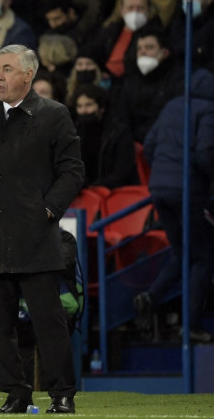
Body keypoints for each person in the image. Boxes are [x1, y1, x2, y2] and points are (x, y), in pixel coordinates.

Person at [0, 44, 84, 414]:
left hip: (36, 239)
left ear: (29, 75)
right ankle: (16, 393)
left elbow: (73, 170)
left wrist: (47, 211)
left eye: (8, 69)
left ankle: (62, 394)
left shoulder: (53, 115)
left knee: (49, 323)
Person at [134, 68, 214, 343]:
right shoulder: (208, 110)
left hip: (159, 188)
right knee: (204, 257)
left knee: (182, 253)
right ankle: (190, 325)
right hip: (189, 190)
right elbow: (206, 154)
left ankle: (151, 295)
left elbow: (150, 144)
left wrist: (164, 171)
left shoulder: (172, 106)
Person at [69, 84, 138, 189]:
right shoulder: (73, 133)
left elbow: (122, 172)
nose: (84, 110)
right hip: (84, 193)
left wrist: (95, 187)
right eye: (79, 106)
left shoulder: (118, 133)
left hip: (114, 191)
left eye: (89, 105)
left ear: (101, 108)